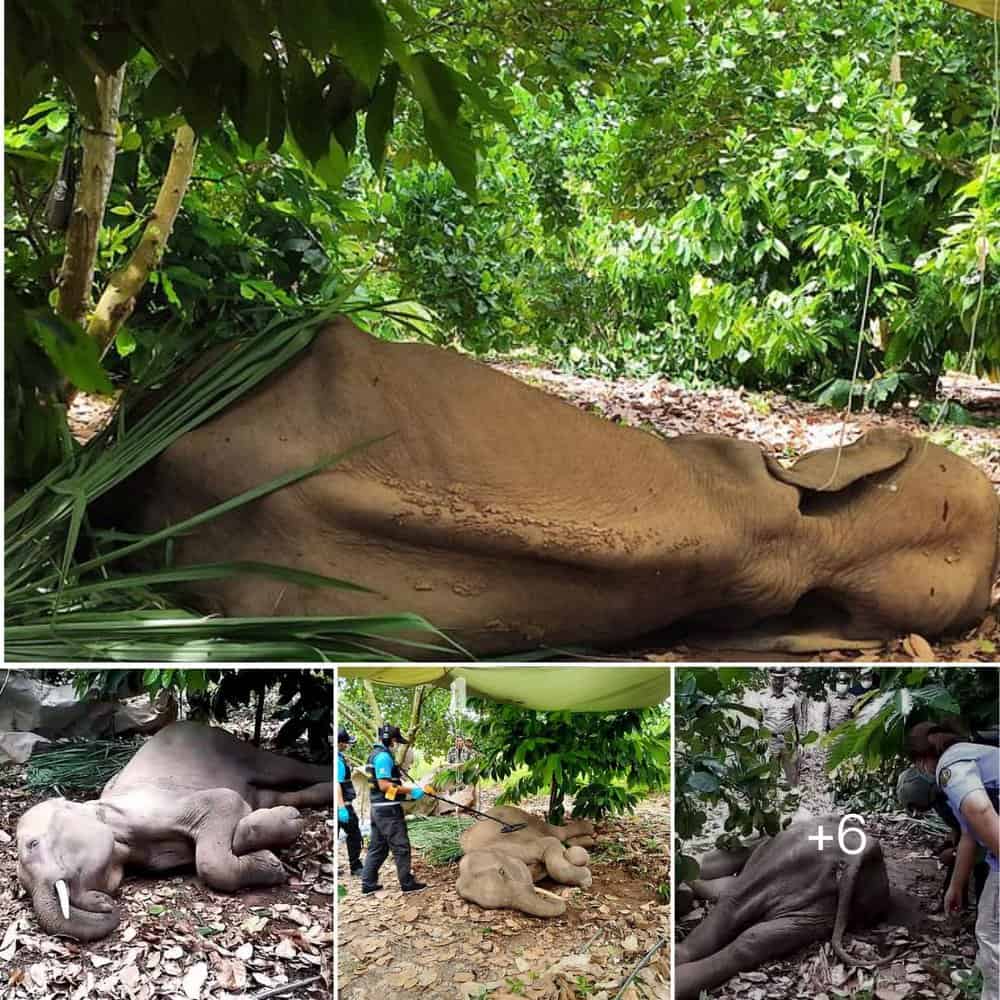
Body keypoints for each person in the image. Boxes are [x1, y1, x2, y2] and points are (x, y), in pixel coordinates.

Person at [907, 721, 1000, 1000]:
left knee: (991, 932)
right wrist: (956, 886)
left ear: (923, 761)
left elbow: (980, 810)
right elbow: (970, 835)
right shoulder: (974, 754)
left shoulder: (951, 766)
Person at [897, 766, 989, 909]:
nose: (918, 812)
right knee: (957, 869)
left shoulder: (957, 792)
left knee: (982, 871)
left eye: (916, 806)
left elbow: (977, 834)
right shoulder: (938, 800)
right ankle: (958, 905)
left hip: (986, 835)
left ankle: (983, 916)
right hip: (971, 834)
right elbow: (956, 824)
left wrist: (954, 853)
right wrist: (949, 845)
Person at [360, 723, 428, 895]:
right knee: (401, 847)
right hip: (388, 811)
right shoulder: (383, 757)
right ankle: (407, 883)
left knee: (378, 847)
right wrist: (412, 791)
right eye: (396, 741)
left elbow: (386, 784)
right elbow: (384, 785)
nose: (397, 744)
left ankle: (368, 884)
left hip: (378, 808)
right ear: (390, 740)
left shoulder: (374, 755)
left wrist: (405, 792)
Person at [336, 728, 364, 877]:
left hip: (338, 804)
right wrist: (342, 808)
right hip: (342, 804)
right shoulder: (338, 762)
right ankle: (355, 866)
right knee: (354, 833)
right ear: (340, 743)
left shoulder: (338, 758)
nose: (347, 745)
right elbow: (337, 785)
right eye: (346, 743)